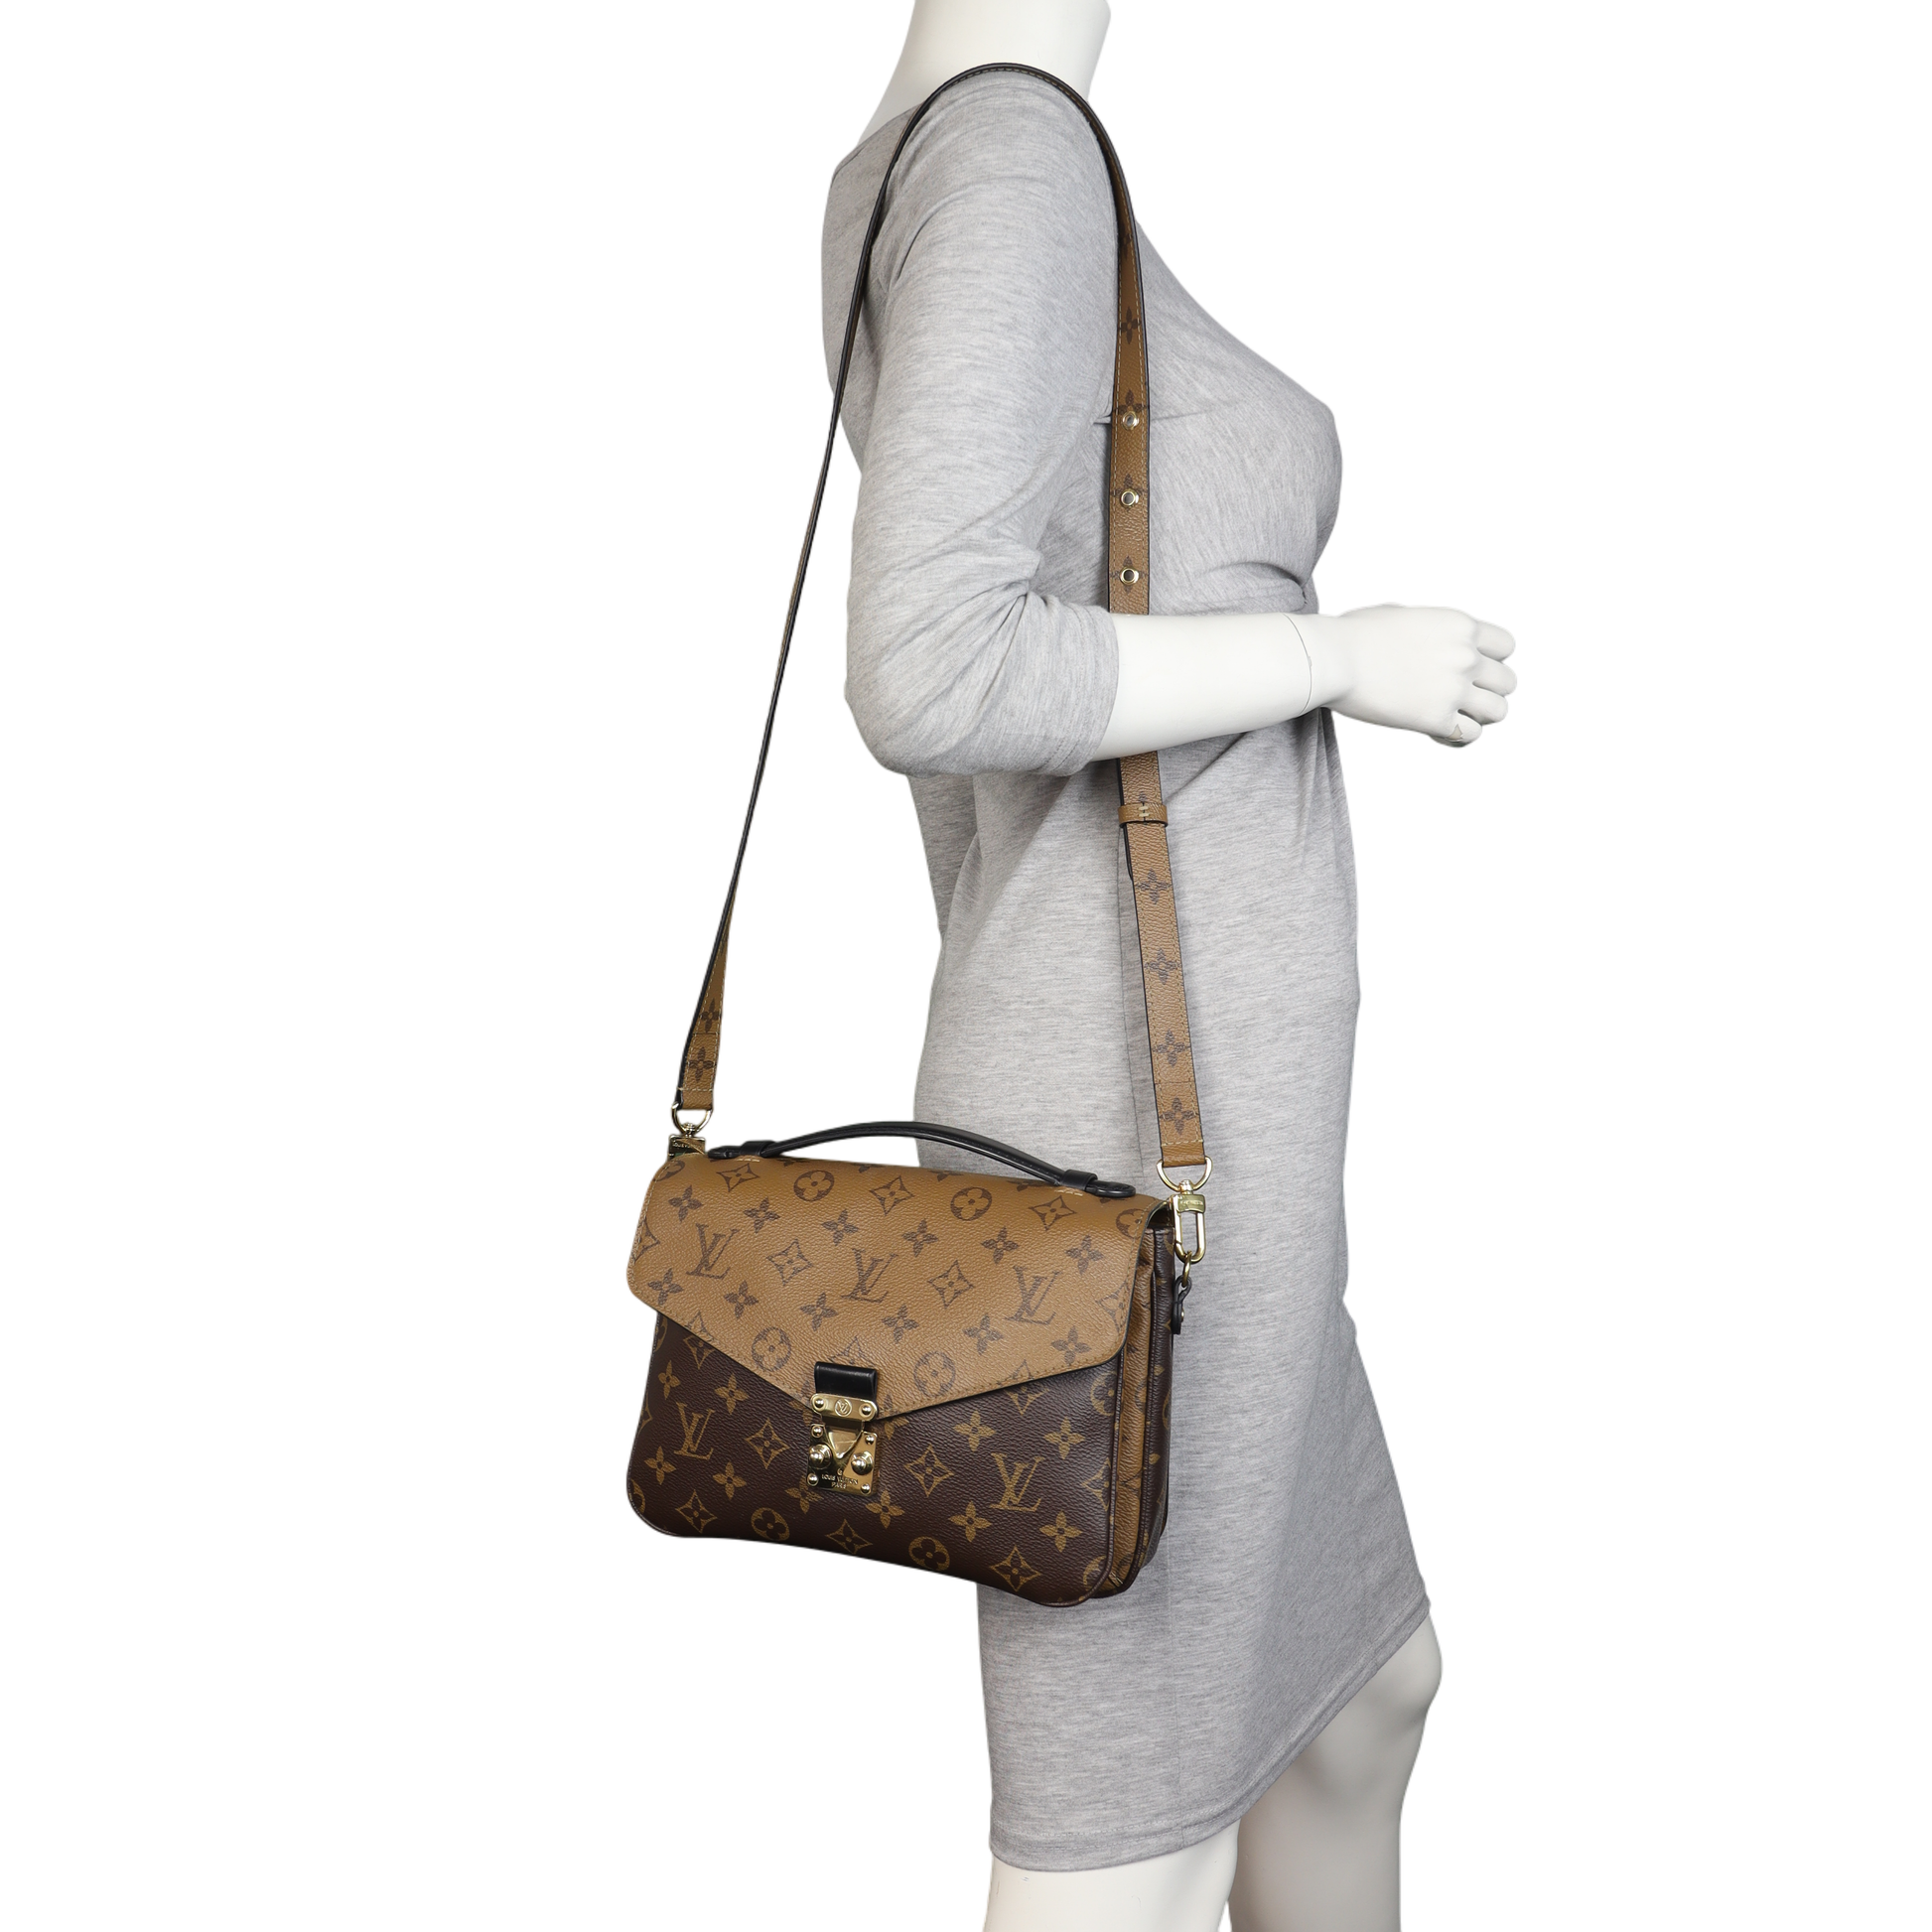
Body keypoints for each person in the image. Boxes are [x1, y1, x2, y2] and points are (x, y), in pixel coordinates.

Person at [819, 5, 1515, 1926]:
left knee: (1362, 1690)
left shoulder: (942, 148)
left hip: (1192, 1127)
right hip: (1139, 1144)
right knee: (1122, 1830)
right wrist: (1332, 656)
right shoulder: (1008, 154)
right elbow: (931, 668)